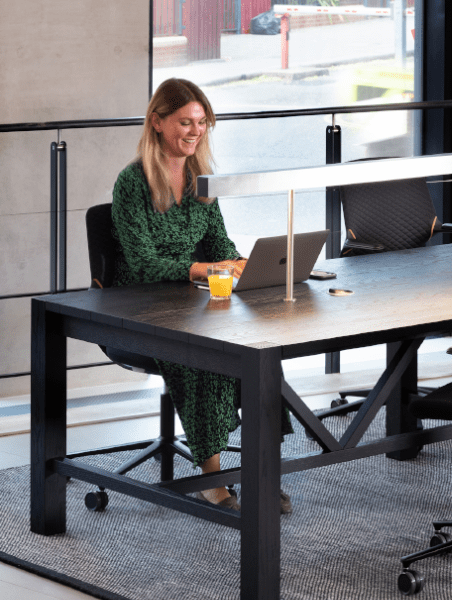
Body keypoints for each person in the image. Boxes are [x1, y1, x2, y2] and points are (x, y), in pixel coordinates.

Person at [111, 78, 292, 514]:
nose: (195, 131)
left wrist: (237, 263)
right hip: (138, 307)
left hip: (190, 302)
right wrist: (201, 269)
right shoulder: (132, 183)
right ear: (157, 122)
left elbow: (219, 246)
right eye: (185, 122)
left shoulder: (199, 182)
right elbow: (141, 265)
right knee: (205, 354)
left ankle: (263, 469)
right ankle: (212, 479)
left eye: (202, 122)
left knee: (261, 349)